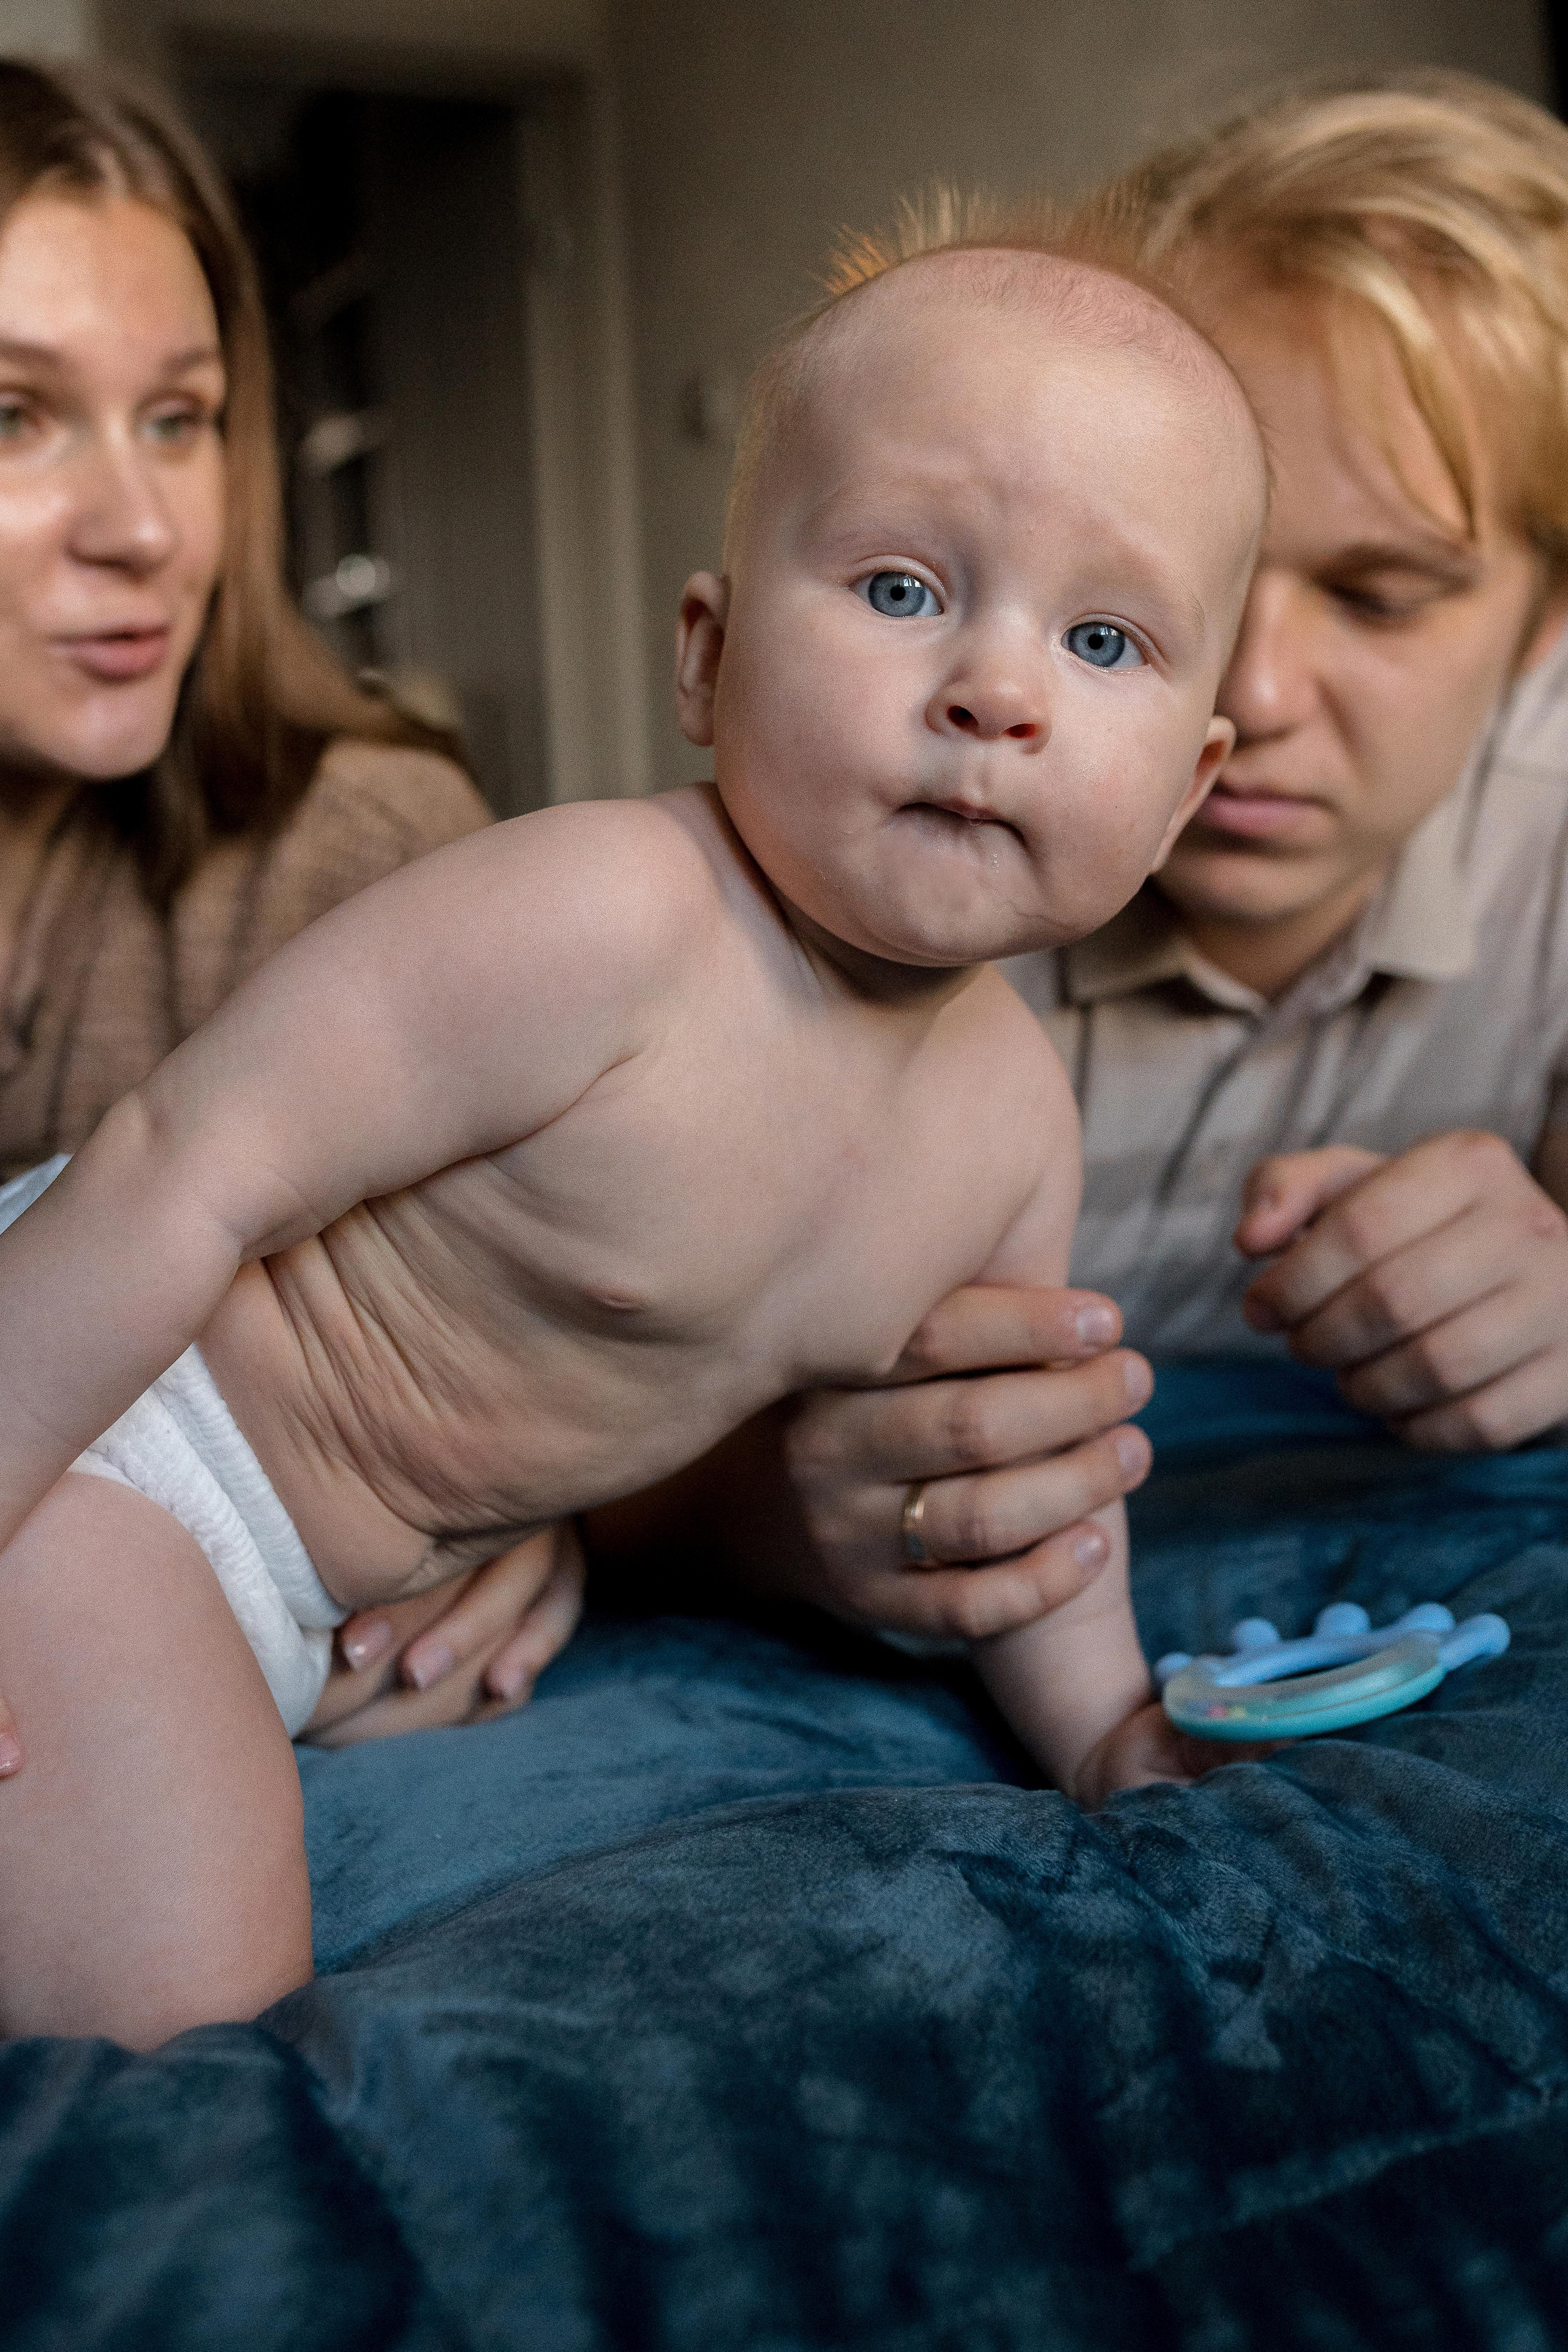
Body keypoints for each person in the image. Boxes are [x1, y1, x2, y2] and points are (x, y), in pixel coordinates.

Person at [0, 209, 1266, 2045]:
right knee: (184, 2007)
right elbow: (172, 1162)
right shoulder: (603, 919)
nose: (998, 689)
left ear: (1187, 789)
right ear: (708, 656)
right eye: (904, 588)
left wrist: (1118, 1734)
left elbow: (1017, 1499)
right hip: (111, 1440)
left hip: (322, 1599)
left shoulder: (1009, 1122)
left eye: (1103, 636)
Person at [701, 70, 1568, 1653]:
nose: (1249, 692)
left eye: (1380, 598)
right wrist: (758, 1511)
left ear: (1547, 627)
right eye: (1160, 588)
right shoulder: (846, 828)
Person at [0, 56, 582, 1752]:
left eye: (182, 419)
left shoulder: (374, 847)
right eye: (12, 414)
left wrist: (559, 1505)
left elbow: (611, 1314)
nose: (146, 529)